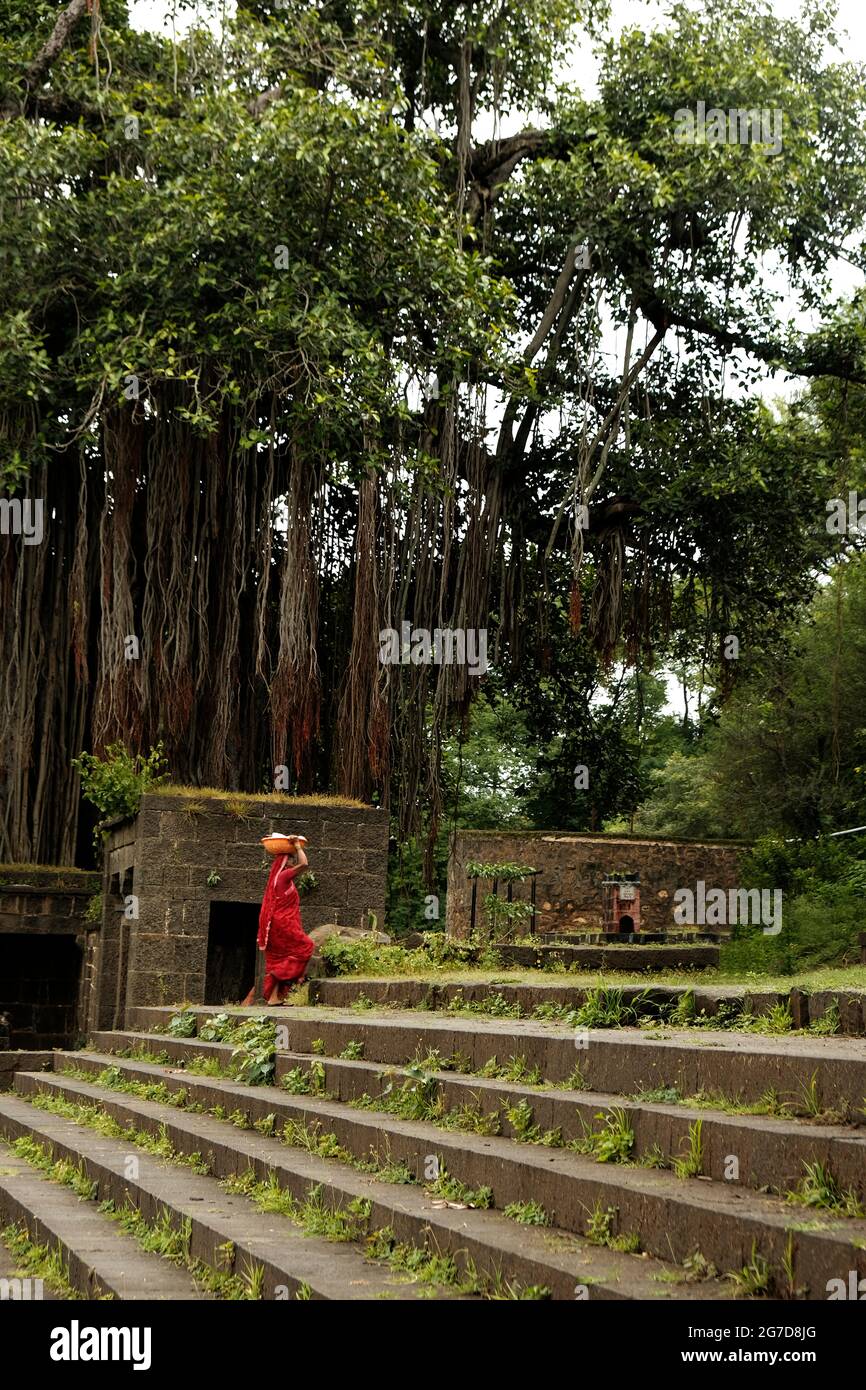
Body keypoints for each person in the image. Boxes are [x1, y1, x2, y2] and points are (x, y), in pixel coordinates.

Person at [242, 834, 314, 1005]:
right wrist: (297, 845)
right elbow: (304, 864)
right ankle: (298, 977)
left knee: (281, 960)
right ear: (283, 861)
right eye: (290, 859)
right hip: (283, 925)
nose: (292, 861)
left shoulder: (282, 879)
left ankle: (274, 998)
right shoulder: (283, 877)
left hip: (279, 925)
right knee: (306, 947)